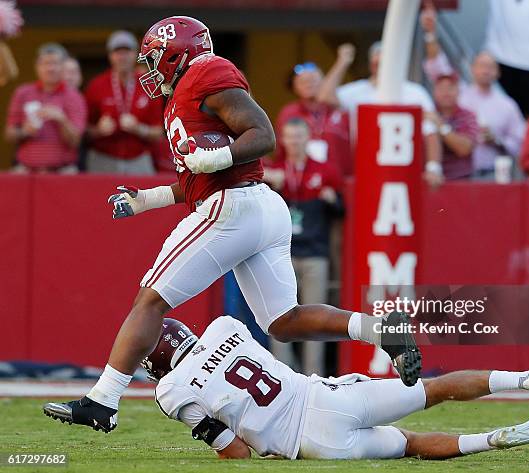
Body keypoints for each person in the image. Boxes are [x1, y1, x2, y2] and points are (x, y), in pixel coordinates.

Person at [41, 16, 420, 434]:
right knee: (283, 322)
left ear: (178, 54)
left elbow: (263, 135)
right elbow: (198, 178)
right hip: (254, 207)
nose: (150, 70)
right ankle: (379, 329)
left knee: (150, 301)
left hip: (233, 208)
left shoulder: (206, 71)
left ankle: (103, 400)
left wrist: (218, 158)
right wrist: (148, 199)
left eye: (153, 59)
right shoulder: (184, 94)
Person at [46, 316, 529, 460]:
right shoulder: (224, 329)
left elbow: (233, 452)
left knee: (412, 446)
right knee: (436, 387)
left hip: (313, 445)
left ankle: (492, 442)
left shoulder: (169, 394)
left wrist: (255, 441)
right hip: (326, 395)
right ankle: (527, 379)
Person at [265, 118, 343, 376]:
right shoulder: (273, 169)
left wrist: (331, 201)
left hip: (314, 254)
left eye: (299, 136)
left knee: (316, 320)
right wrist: (268, 183)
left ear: (308, 138)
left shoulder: (325, 170)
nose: (294, 141)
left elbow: (342, 210)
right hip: (281, 254)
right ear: (283, 139)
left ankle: (315, 378)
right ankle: (282, 375)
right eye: (289, 136)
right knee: (278, 317)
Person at [421, 4, 525, 179]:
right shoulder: (459, 93)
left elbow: (520, 142)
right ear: (472, 69)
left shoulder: (507, 105)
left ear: (498, 72)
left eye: (490, 66)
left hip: (491, 174)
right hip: (458, 174)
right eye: (481, 65)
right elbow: (437, 66)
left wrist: (497, 140)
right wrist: (431, 33)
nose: (485, 70)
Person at [318, 40, 444, 186]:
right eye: (376, 64)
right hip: (366, 167)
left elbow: (430, 128)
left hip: (406, 169)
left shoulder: (414, 92)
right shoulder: (358, 91)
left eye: (386, 63)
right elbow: (324, 97)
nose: (381, 68)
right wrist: (342, 62)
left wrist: (433, 167)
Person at [84, 30, 163, 174]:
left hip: (138, 159)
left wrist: (139, 129)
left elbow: (159, 132)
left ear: (136, 55)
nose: (122, 57)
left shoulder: (148, 84)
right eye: (117, 52)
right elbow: (84, 130)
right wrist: (98, 131)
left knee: (144, 196)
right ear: (110, 56)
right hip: (103, 158)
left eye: (127, 52)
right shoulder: (96, 85)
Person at [5, 43, 86, 174]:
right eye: (45, 63)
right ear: (37, 67)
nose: (50, 68)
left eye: (55, 63)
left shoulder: (74, 96)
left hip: (63, 170)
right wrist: (24, 131)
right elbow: (9, 134)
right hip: (26, 169)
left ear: (63, 67)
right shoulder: (23, 93)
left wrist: (61, 119)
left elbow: (76, 142)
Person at [275, 59, 351, 176]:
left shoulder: (340, 109)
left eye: (313, 80)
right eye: (303, 81)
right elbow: (281, 151)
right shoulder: (288, 113)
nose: (309, 84)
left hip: (338, 183)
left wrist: (342, 61)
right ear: (294, 87)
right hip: (300, 184)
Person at [429, 73, 479, 180]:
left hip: (462, 181)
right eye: (441, 88)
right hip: (430, 181)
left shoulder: (468, 116)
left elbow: (464, 148)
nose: (446, 93)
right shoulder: (427, 113)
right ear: (434, 92)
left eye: (450, 88)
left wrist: (441, 127)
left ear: (458, 91)